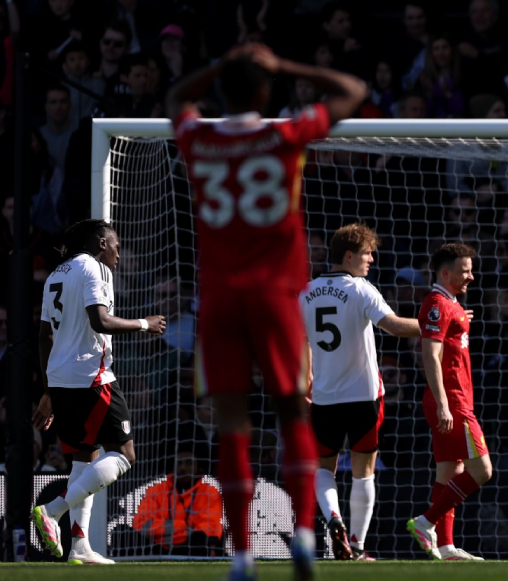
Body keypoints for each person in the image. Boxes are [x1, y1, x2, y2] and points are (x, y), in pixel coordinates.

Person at [166, 43, 365, 581]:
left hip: (220, 298)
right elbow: (352, 91)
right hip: (277, 293)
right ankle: (303, 533)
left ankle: (242, 557)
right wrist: (282, 63)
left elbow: (176, 97)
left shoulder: (199, 139)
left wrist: (224, 63)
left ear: (223, 88)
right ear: (265, 90)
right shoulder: (284, 135)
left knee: (232, 425)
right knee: (293, 411)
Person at [31, 219, 167, 565]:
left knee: (83, 461)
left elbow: (45, 336)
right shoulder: (94, 269)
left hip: (62, 380)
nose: (119, 253)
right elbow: (101, 321)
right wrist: (143, 324)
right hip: (92, 377)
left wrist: (49, 390)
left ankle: (80, 547)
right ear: (100, 243)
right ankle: (52, 508)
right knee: (125, 455)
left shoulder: (55, 275)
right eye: (116, 245)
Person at [301, 223, 421, 562]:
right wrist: (438, 324)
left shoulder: (305, 292)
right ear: (349, 256)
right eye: (367, 253)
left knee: (324, 469)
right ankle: (356, 545)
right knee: (362, 470)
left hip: (324, 397)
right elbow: (396, 326)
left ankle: (333, 519)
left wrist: (305, 376)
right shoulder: (361, 289)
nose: (371, 260)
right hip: (365, 395)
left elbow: (298, 342)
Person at [406, 243, 490, 562]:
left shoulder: (450, 304)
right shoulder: (437, 303)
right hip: (452, 401)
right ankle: (426, 522)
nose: (471, 276)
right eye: (465, 270)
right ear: (446, 272)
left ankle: (446, 546)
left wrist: (459, 317)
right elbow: (430, 354)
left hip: (455, 399)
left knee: (449, 472)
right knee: (482, 470)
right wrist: (443, 403)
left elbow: (448, 336)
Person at [133, 446, 223, 556]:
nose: (183, 468)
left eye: (189, 463)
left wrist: (166, 531)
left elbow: (208, 530)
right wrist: (184, 526)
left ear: (199, 466)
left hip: (193, 549)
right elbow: (141, 524)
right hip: (157, 548)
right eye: (179, 463)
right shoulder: (156, 490)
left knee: (200, 539)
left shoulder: (210, 492)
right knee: (124, 533)